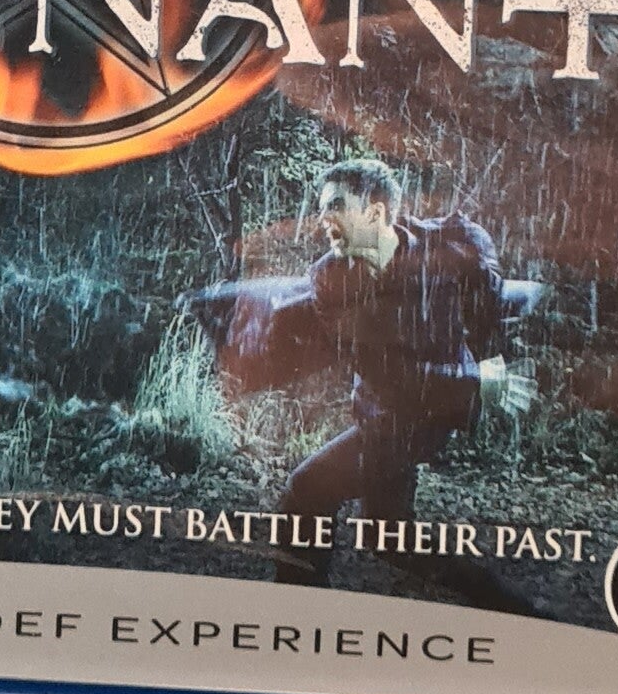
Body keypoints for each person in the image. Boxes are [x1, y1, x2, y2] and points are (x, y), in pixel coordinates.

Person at [206, 157, 529, 579]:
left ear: (375, 213)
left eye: (336, 205)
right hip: (387, 409)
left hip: (429, 415)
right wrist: (476, 384)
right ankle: (504, 605)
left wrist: (490, 362)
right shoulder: (331, 278)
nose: (322, 218)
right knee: (389, 538)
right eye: (322, 207)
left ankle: (294, 604)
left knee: (307, 493)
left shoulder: (448, 245)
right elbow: (386, 377)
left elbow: (488, 302)